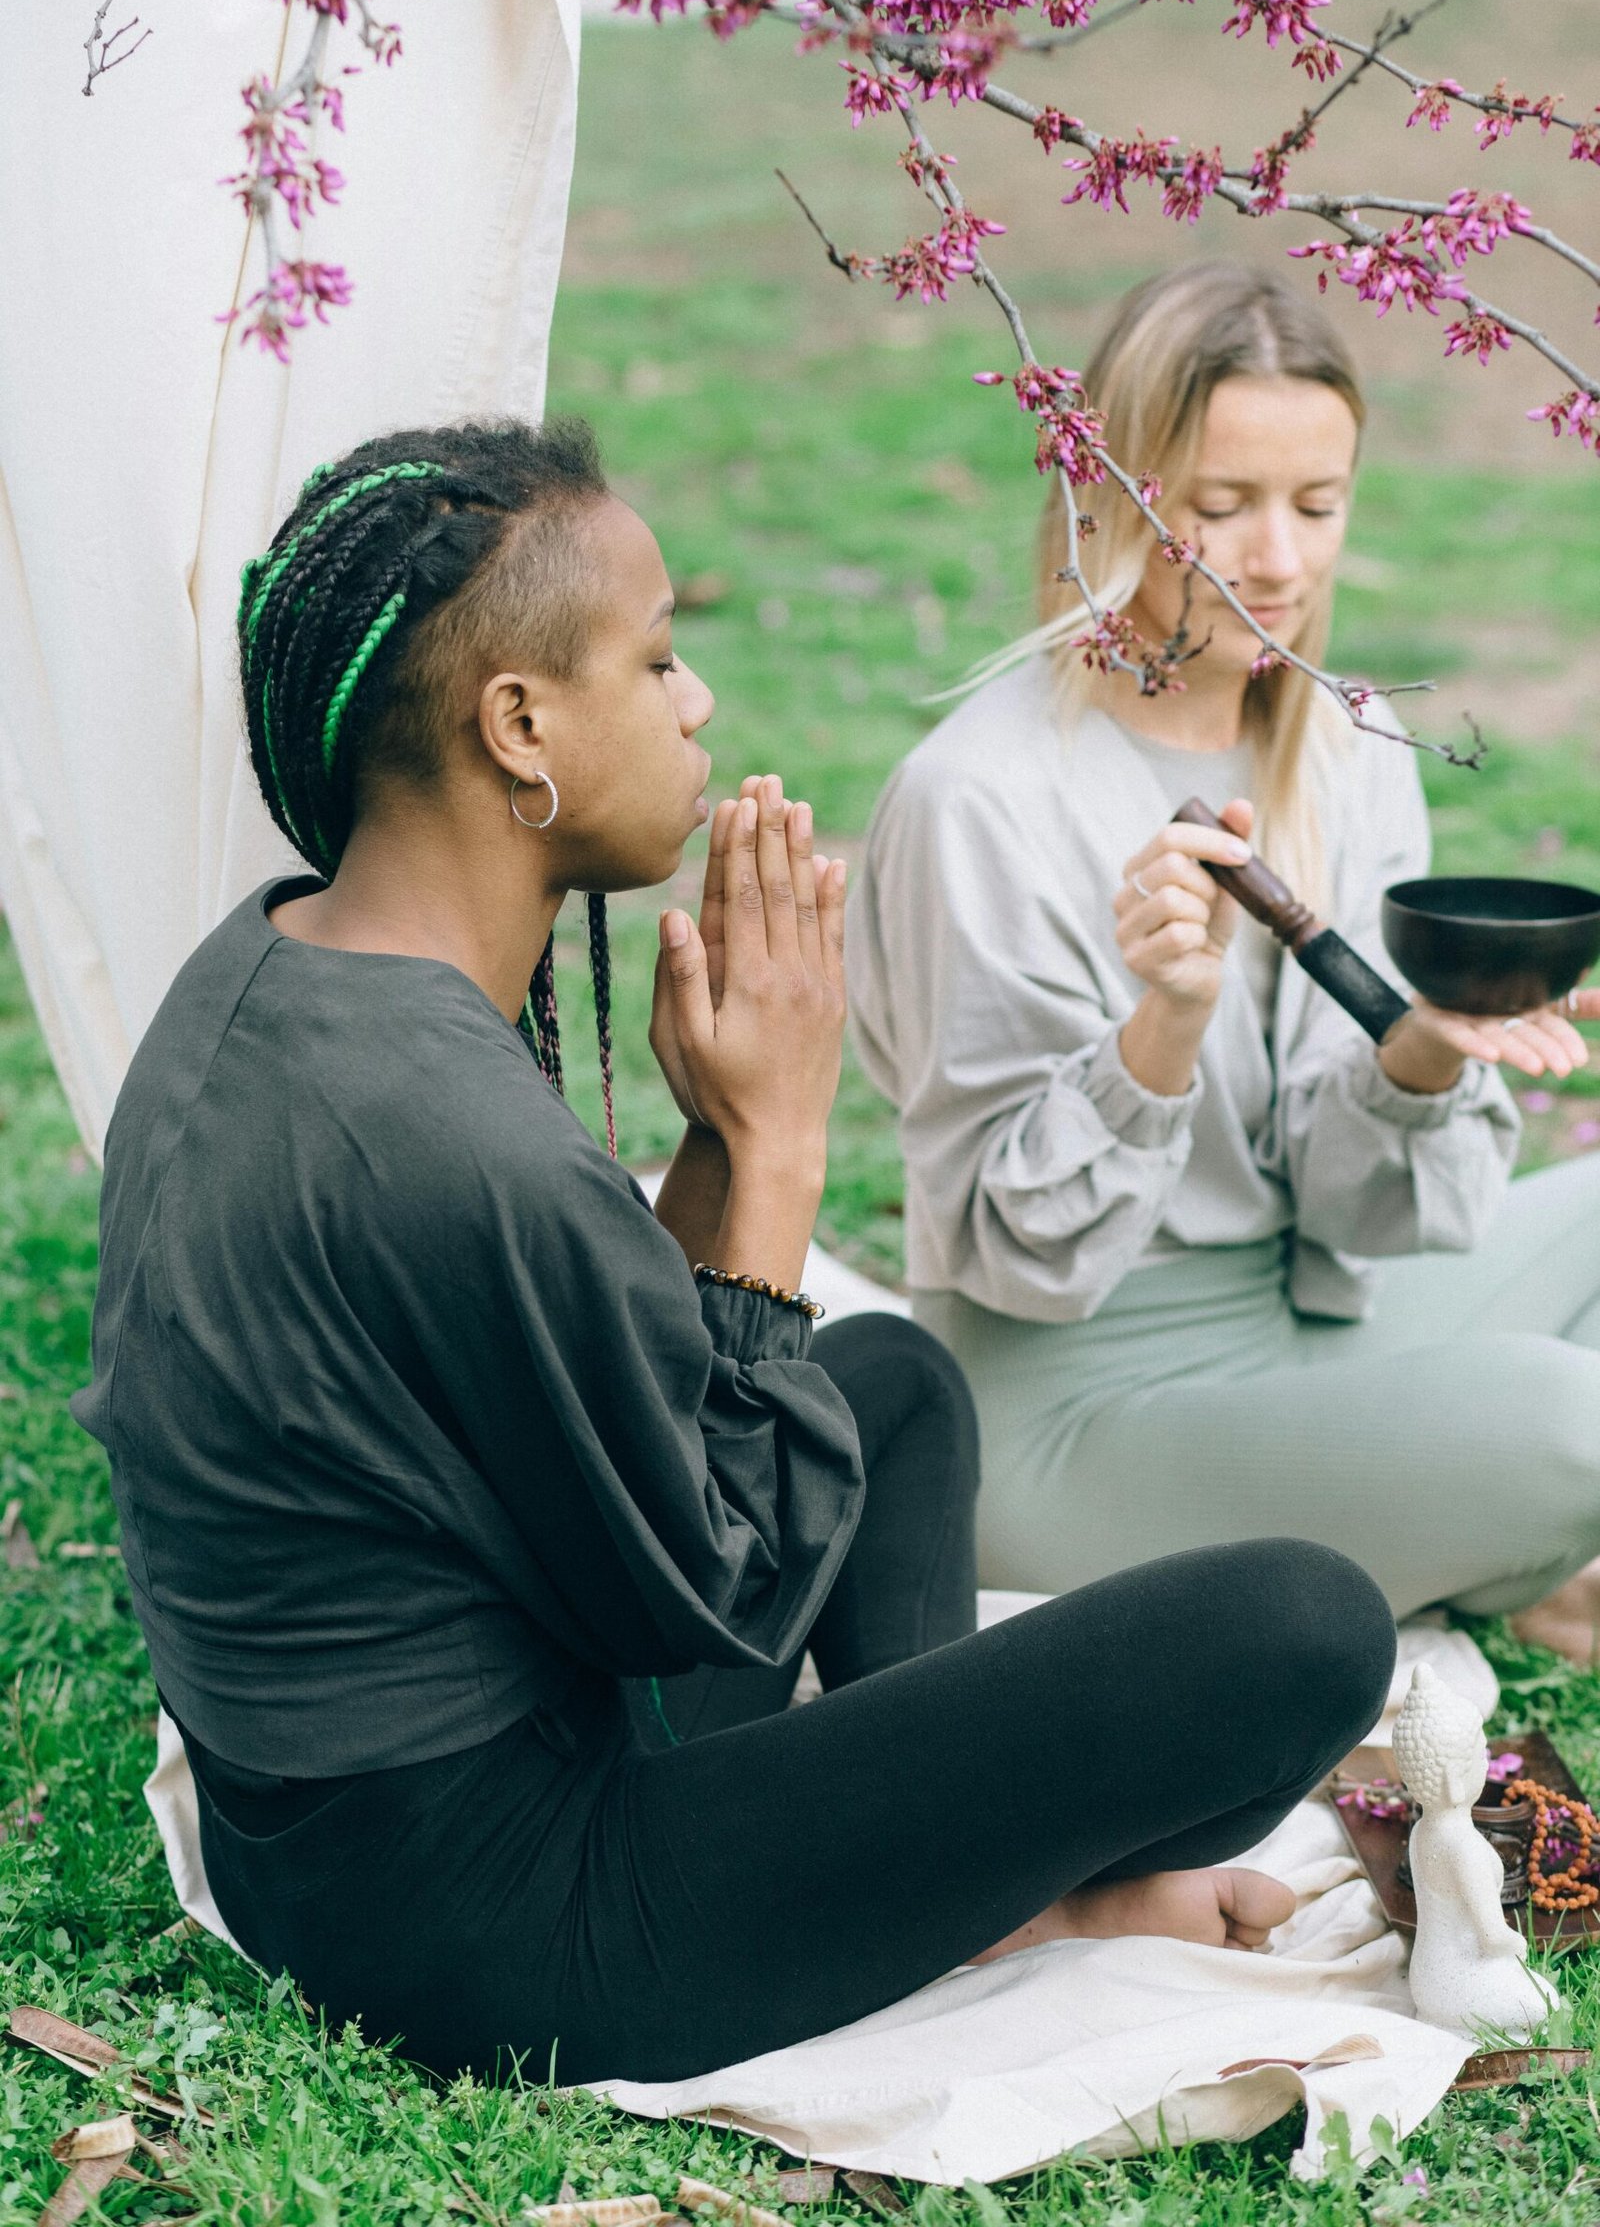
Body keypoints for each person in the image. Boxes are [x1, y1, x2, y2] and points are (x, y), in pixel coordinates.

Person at [76, 416, 1394, 2087]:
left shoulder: (283, 963)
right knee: (1310, 1628)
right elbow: (702, 1595)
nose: (696, 702)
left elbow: (583, 1392)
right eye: (659, 656)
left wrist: (706, 1138)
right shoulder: (446, 1131)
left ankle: (920, 1872)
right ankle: (964, 1893)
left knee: (893, 1384)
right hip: (496, 1919)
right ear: (520, 728)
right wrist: (778, 1146)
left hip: (376, 1808)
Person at [848, 260, 1600, 1667]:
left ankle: (1479, 1537)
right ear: (1110, 499)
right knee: (1576, 1423)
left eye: (1319, 506)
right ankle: (1501, 1541)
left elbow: (1355, 1201)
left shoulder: (1348, 743)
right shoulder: (982, 796)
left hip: (1309, 1315)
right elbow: (1019, 1259)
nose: (1282, 561)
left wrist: (1423, 1055)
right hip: (1068, 1414)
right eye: (1219, 507)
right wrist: (1164, 1030)